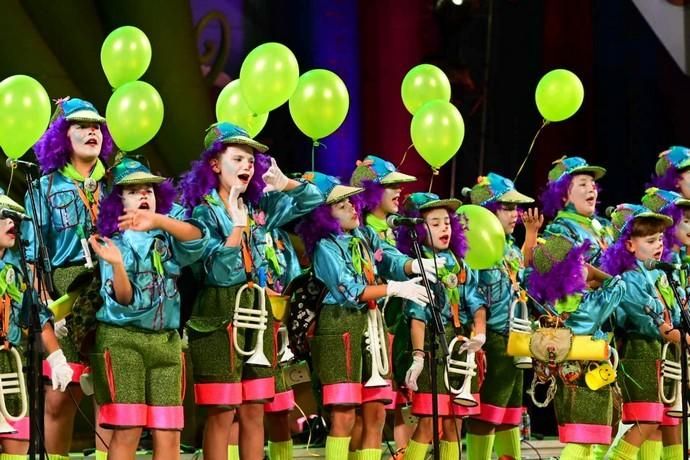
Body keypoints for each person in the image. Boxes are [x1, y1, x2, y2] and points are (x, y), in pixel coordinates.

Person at [179, 122, 322, 460]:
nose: (247, 165)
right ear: (215, 163)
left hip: (257, 315)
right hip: (217, 316)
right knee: (222, 412)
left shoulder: (259, 207)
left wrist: (285, 183)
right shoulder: (202, 212)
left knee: (255, 409)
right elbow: (219, 273)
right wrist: (235, 224)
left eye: (251, 160)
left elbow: (316, 200)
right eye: (238, 158)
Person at [296, 172, 438, 460]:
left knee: (375, 413)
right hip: (339, 328)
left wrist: (412, 266)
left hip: (371, 327)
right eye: (341, 205)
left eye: (351, 201)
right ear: (324, 215)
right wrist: (394, 289)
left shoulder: (364, 235)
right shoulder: (325, 247)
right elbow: (349, 289)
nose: (352, 208)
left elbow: (389, 257)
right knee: (344, 415)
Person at [88, 158, 208, 459]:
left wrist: (159, 221)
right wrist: (116, 265)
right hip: (123, 341)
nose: (144, 195)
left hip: (166, 341)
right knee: (128, 430)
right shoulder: (112, 242)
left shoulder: (168, 234)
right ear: (119, 200)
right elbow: (124, 301)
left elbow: (199, 240)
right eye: (134, 190)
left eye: (149, 190)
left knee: (169, 431)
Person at [25, 97, 115, 460]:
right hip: (67, 292)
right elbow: (31, 259)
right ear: (62, 135)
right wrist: (47, 309)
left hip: (112, 287)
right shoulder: (43, 189)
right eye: (81, 125)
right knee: (61, 397)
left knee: (110, 392)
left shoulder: (117, 184)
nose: (92, 130)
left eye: (96, 125)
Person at [394, 192, 487, 460]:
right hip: (429, 344)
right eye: (435, 223)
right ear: (419, 229)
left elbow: (476, 301)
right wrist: (418, 356)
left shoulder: (459, 262)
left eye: (446, 221)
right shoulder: (419, 265)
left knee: (455, 421)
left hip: (457, 345)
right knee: (428, 421)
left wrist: (479, 332)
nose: (444, 227)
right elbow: (417, 316)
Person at [463, 173, 542, 460]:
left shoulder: (508, 247)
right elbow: (472, 295)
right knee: (488, 413)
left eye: (515, 208)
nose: (515, 214)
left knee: (510, 414)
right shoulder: (475, 247)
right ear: (487, 211)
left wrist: (531, 236)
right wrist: (481, 333)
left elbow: (519, 273)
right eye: (507, 208)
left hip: (516, 338)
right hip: (494, 340)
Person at [527, 234, 625, 460]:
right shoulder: (587, 305)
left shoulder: (548, 302)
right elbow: (618, 286)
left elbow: (526, 273)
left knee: (581, 439)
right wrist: (595, 274)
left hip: (564, 376)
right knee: (584, 441)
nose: (586, 266)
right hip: (589, 377)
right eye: (581, 262)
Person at [601, 204, 684, 460]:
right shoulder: (629, 279)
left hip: (665, 354)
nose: (659, 245)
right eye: (650, 240)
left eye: (660, 238)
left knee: (667, 423)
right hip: (640, 355)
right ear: (629, 246)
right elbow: (651, 321)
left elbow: (676, 315)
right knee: (646, 421)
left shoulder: (660, 274)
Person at [349, 155, 416, 457]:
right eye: (390, 186)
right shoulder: (361, 233)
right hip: (369, 330)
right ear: (370, 190)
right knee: (364, 414)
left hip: (400, 329)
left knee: (402, 405)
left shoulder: (402, 229)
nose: (398, 191)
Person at [0, 190, 73, 460]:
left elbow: (36, 315)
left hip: (11, 366)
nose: (13, 224)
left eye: (15, 219)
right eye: (5, 217)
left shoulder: (16, 270)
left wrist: (56, 359)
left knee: (18, 442)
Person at [640, 187, 689, 460]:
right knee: (650, 424)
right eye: (683, 218)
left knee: (671, 423)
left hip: (670, 352)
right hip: (646, 351)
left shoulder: (672, 267)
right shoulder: (643, 272)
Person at [540, 156, 613, 268]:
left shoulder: (605, 224)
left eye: (593, 184)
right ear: (563, 194)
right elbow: (547, 275)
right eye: (583, 184)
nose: (591, 189)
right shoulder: (560, 231)